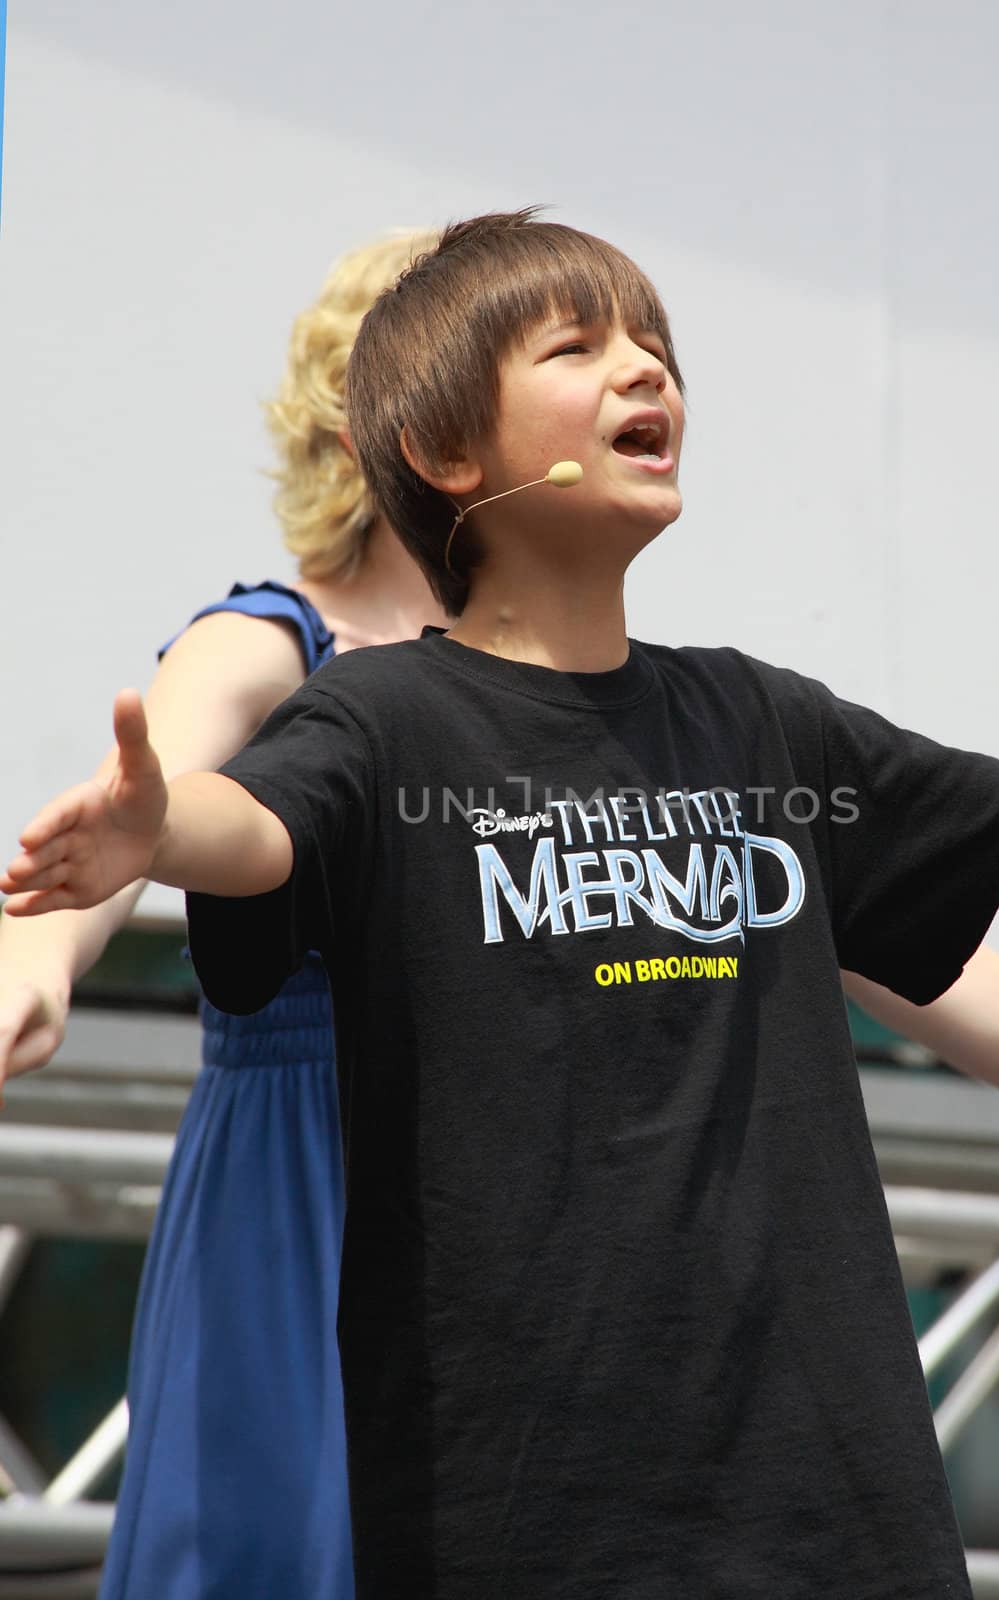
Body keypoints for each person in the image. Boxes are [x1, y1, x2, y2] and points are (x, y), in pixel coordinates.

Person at [5, 211, 999, 1599]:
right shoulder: (361, 709)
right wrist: (130, 852)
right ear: (429, 442)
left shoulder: (747, 720)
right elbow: (237, 821)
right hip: (496, 1434)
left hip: (811, 1485)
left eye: (653, 344)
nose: (644, 370)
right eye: (576, 345)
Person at [0, 229, 445, 1599]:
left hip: (496, 1166)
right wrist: (34, 958)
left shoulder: (553, 681)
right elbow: (133, 813)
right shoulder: (266, 639)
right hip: (307, 1173)